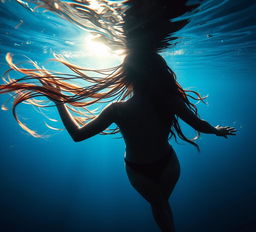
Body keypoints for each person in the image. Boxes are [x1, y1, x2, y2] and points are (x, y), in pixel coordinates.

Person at [44, 51, 236, 232]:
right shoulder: (169, 101)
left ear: (127, 76)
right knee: (161, 205)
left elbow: (77, 135)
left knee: (159, 205)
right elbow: (199, 124)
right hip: (168, 164)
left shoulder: (117, 109)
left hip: (139, 171)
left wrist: (59, 102)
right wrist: (216, 131)